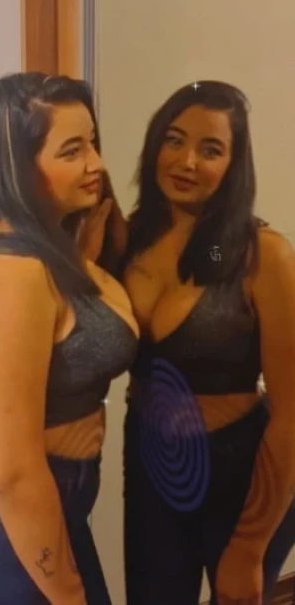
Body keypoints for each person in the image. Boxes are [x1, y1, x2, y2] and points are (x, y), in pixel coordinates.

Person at [0, 72, 139, 605]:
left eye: (93, 143)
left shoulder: (47, 250)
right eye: (72, 151)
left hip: (49, 511)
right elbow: (10, 470)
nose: (96, 164)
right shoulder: (12, 271)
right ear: (17, 165)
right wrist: (69, 591)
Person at [88, 80, 295, 604]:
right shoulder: (129, 238)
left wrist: (249, 545)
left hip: (241, 475)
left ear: (234, 164)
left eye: (211, 149)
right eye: (174, 140)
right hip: (151, 464)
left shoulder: (260, 254)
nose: (187, 162)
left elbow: (292, 415)